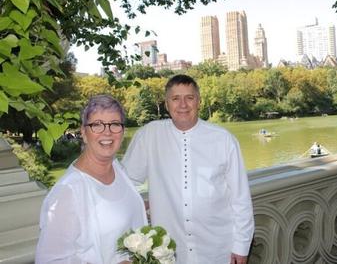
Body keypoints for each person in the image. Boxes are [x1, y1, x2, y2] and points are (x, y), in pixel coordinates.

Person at [122, 74, 254, 264]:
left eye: (189, 98)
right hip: (169, 252)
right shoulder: (149, 136)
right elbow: (125, 182)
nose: (182, 105)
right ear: (166, 104)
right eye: (175, 98)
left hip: (218, 248)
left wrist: (241, 246)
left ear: (199, 101)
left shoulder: (224, 139)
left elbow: (240, 199)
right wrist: (141, 204)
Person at [35, 95, 148, 264]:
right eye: (97, 124)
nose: (107, 131)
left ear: (122, 131)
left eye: (115, 124)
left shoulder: (117, 169)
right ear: (84, 133)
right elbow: (49, 261)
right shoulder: (68, 192)